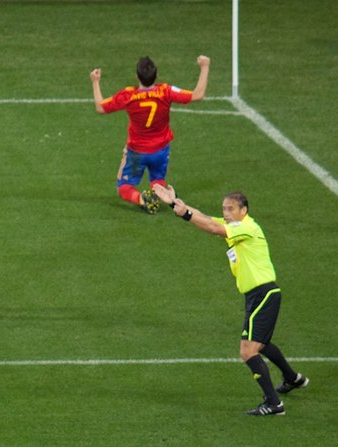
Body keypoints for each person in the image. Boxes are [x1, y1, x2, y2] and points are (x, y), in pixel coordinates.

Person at [153, 184, 309, 416]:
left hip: (263, 294)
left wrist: (185, 214)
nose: (226, 213)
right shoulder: (236, 224)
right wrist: (176, 203)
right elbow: (206, 218)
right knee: (261, 344)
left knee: (248, 351)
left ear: (243, 210)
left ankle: (274, 403)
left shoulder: (247, 227)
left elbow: (214, 228)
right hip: (257, 295)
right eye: (224, 209)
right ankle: (292, 378)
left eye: (231, 209)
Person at [90, 55, 210, 214]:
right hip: (160, 150)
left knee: (124, 187)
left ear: (136, 76)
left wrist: (95, 81)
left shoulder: (129, 95)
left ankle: (141, 199)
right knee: (158, 180)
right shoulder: (165, 91)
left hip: (136, 152)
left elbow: (100, 107)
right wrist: (205, 67)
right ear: (157, 75)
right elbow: (198, 94)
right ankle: (161, 197)